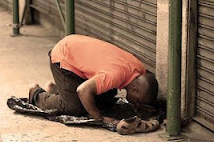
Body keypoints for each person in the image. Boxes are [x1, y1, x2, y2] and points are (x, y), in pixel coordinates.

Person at [29, 34, 158, 125]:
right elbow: (83, 90)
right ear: (135, 89)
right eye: (138, 101)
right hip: (64, 56)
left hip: (76, 51)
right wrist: (100, 119)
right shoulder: (115, 75)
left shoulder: (139, 69)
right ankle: (37, 94)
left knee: (106, 101)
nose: (136, 104)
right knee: (74, 108)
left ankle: (56, 89)